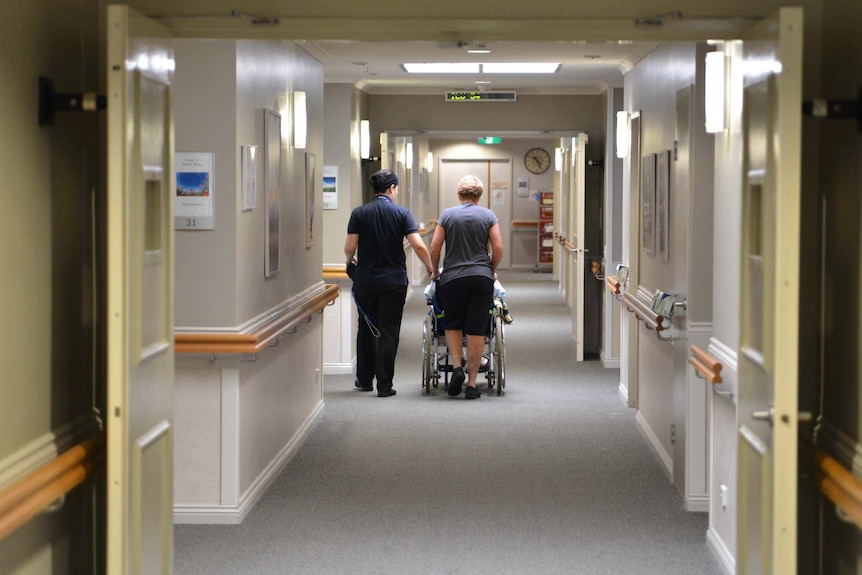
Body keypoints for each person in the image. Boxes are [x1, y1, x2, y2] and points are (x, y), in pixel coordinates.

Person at [345, 169, 435, 397]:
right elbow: (418, 245)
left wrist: (350, 260)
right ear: (392, 188)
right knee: (389, 331)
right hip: (393, 281)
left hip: (366, 281)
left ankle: (364, 380)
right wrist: (429, 266)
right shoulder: (402, 213)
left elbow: (350, 247)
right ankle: (384, 385)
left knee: (365, 328)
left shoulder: (359, 213)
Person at [429, 175, 503, 399]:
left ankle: (457, 368)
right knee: (476, 328)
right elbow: (498, 247)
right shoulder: (488, 215)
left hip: (452, 278)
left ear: (459, 195)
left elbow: (434, 247)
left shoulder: (447, 215)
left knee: (453, 323)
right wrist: (491, 268)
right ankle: (472, 384)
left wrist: (435, 270)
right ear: (479, 195)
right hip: (481, 278)